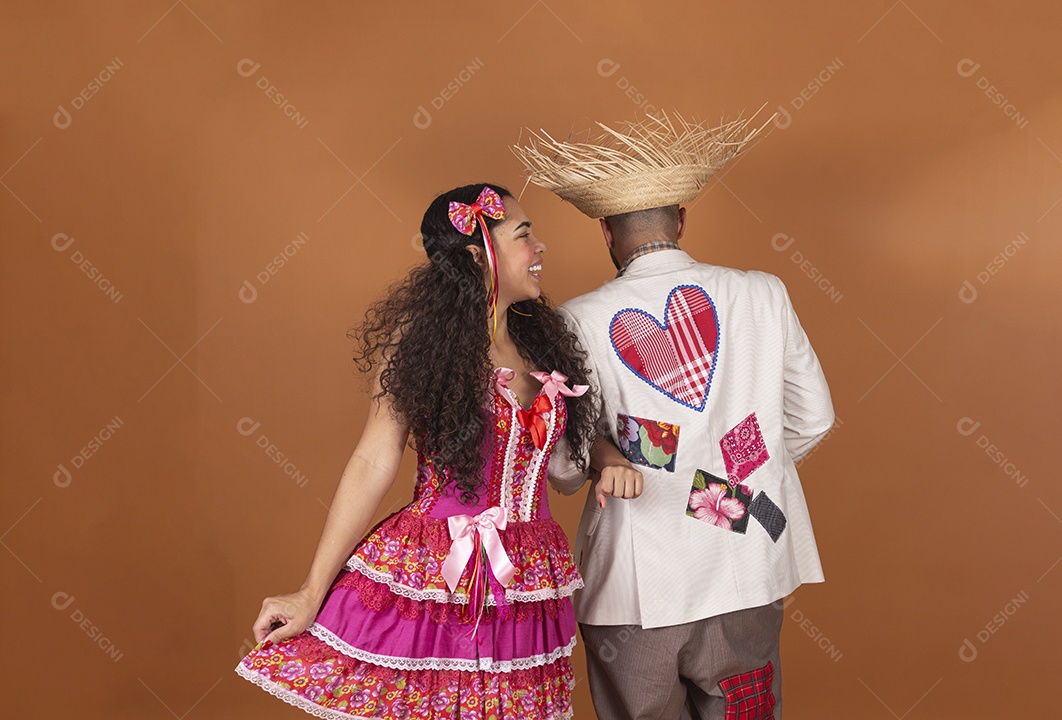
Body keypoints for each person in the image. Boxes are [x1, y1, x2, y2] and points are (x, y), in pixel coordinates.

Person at [235, 183, 639, 719]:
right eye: (524, 236)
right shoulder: (422, 344)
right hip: (436, 571)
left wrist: (609, 457)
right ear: (479, 256)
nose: (540, 248)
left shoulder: (545, 338)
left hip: (529, 578)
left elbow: (573, 447)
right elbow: (373, 461)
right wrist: (310, 593)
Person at [514, 113, 835, 719]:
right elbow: (813, 418)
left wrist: (642, 462)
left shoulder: (573, 321)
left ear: (607, 233)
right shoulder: (763, 293)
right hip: (746, 566)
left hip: (633, 588)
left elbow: (560, 466)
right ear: (682, 221)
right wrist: (729, 481)